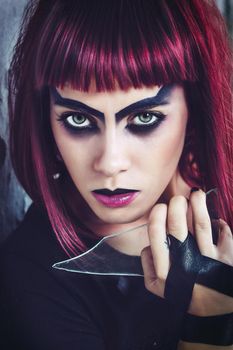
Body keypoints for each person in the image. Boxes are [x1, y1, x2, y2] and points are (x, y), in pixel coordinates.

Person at [0, 0, 232, 349]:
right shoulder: (29, 280)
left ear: (194, 109)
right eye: (78, 120)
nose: (109, 163)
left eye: (144, 118)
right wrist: (211, 327)